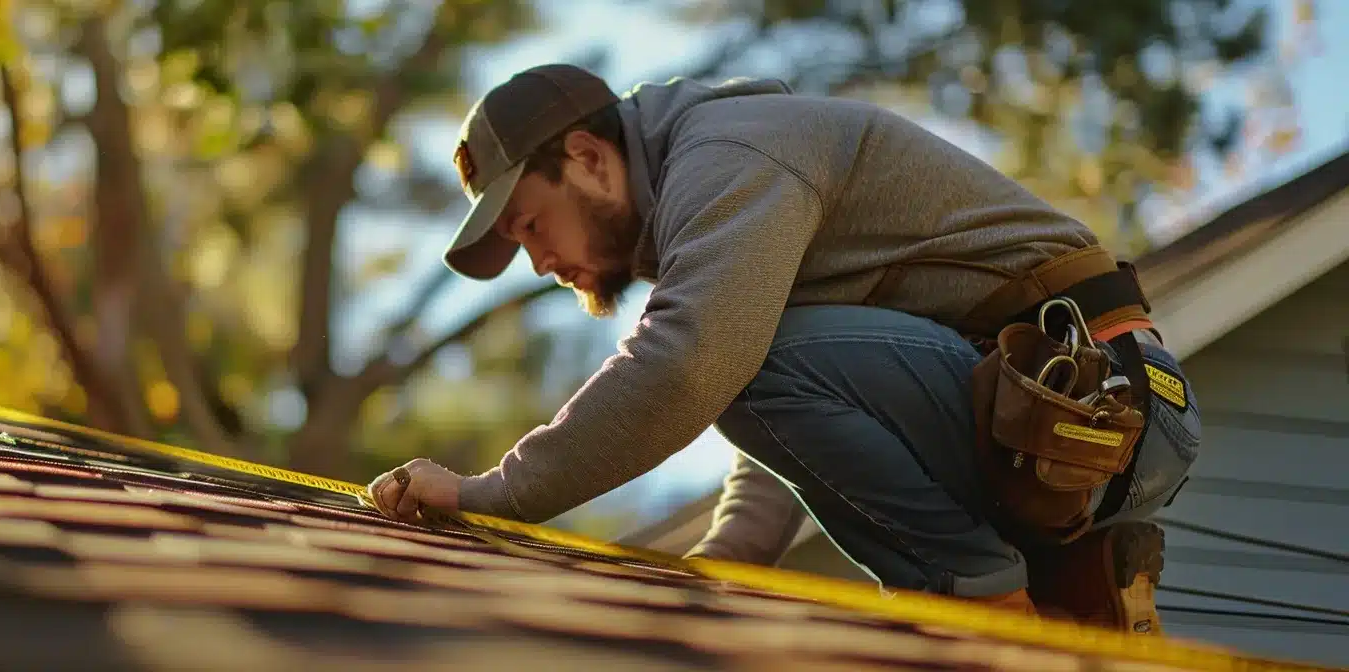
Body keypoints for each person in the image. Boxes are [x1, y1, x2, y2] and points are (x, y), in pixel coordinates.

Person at [364, 64, 1201, 634]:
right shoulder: (727, 186)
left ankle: (980, 603)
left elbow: (702, 363)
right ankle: (1053, 589)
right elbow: (804, 418)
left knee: (730, 357)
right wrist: (725, 568)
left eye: (532, 227)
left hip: (1085, 403)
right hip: (1053, 418)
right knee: (754, 359)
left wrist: (494, 495)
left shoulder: (730, 153)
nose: (542, 264)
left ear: (587, 157)